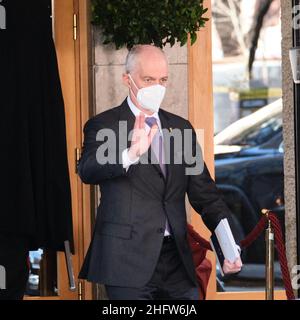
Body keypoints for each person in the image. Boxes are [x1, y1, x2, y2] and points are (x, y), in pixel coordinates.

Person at [78, 45, 242, 300]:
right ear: (127, 79)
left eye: (163, 80)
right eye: (148, 80)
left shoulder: (181, 128)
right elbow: (87, 170)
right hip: (126, 261)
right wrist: (129, 155)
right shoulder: (104, 125)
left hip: (176, 260)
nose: (157, 87)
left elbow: (205, 195)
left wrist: (227, 248)